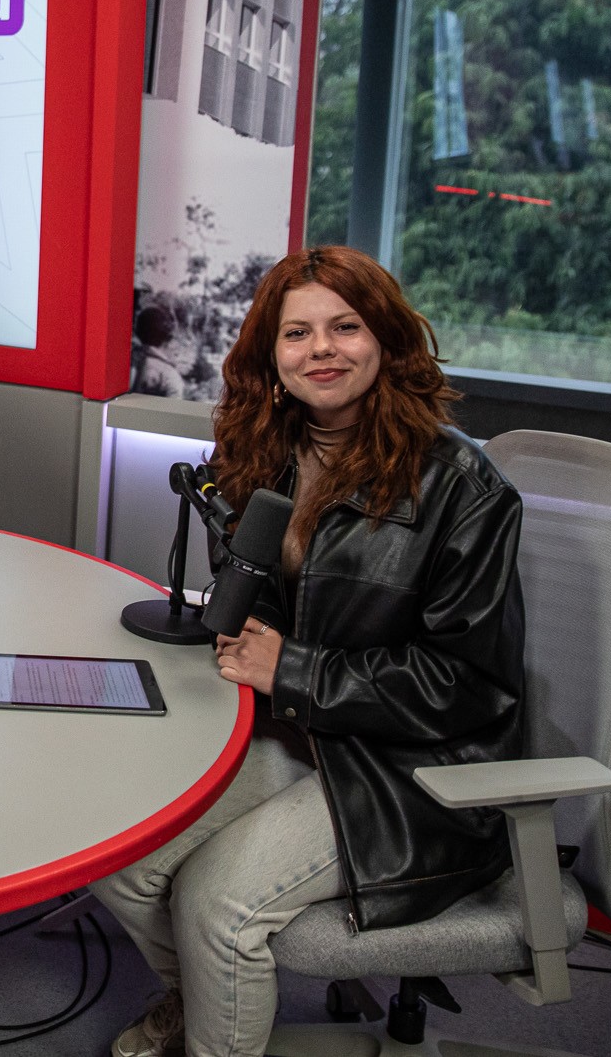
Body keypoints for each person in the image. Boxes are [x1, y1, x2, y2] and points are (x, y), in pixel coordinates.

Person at [95, 245, 527, 1057]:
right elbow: (260, 606)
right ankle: (207, 999)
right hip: (307, 731)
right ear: (272, 356)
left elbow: (470, 684)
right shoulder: (263, 453)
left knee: (217, 903)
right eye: (297, 333)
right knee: (119, 851)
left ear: (386, 338)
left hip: (415, 774)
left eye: (345, 326)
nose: (321, 348)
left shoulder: (462, 487)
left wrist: (290, 668)